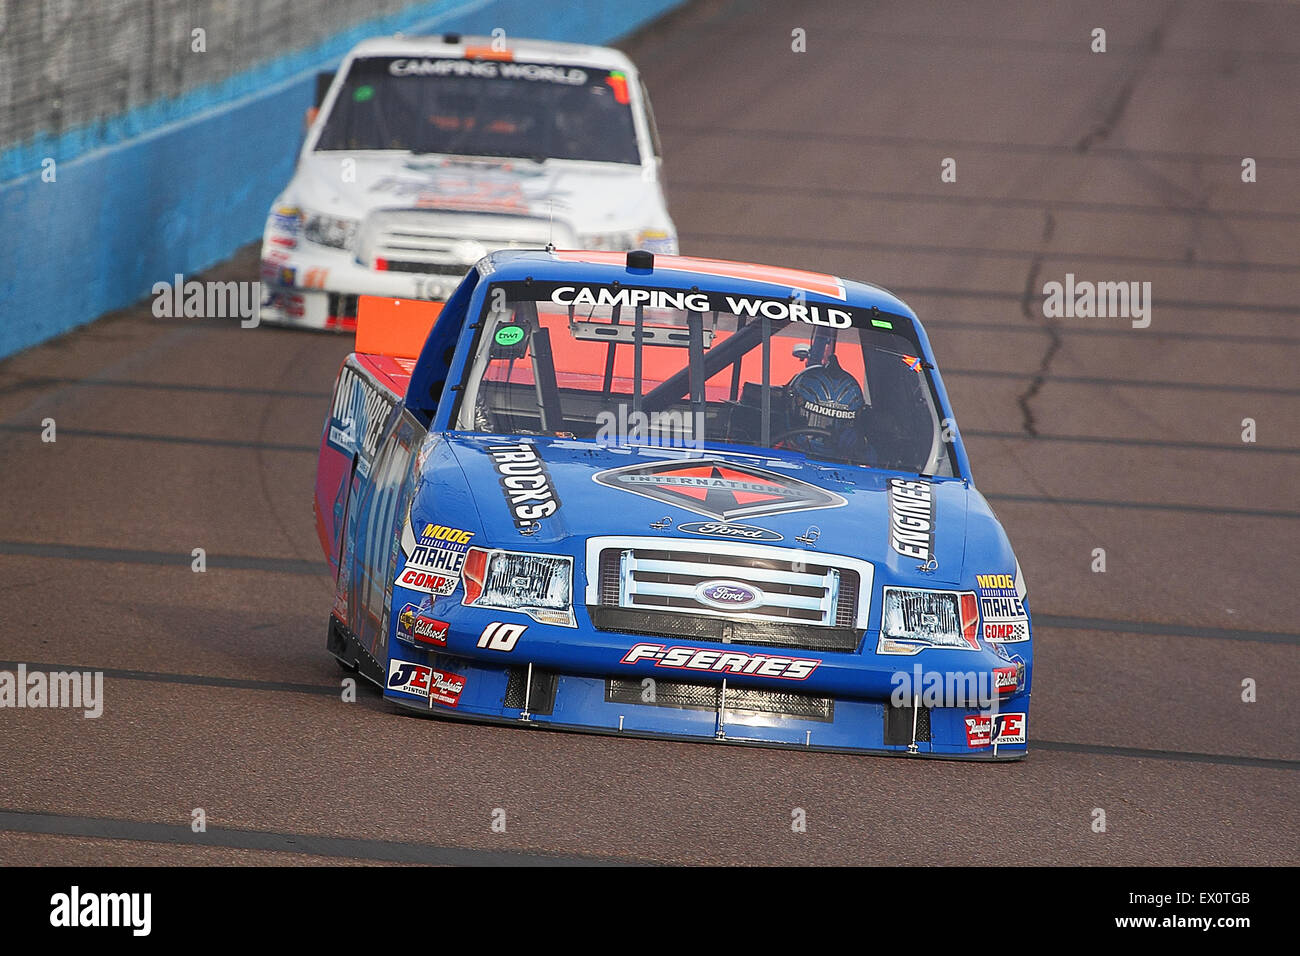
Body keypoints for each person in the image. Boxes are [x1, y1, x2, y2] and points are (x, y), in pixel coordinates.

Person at [781, 352, 871, 462]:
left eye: (840, 423)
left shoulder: (860, 460)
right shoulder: (769, 447)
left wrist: (862, 447)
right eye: (814, 420)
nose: (820, 438)